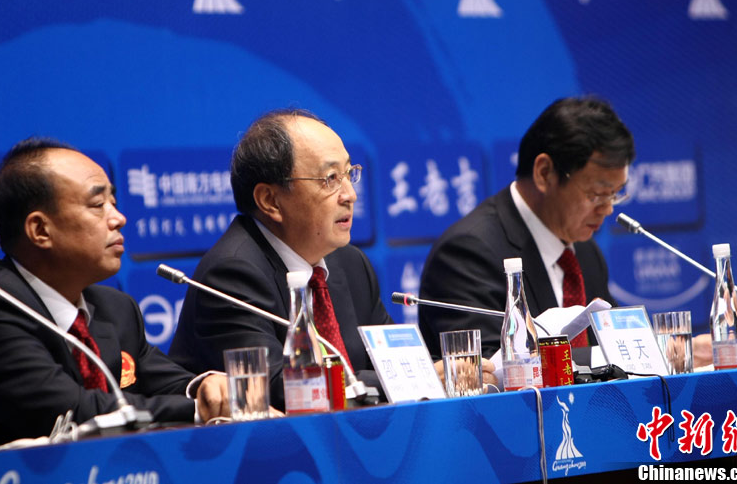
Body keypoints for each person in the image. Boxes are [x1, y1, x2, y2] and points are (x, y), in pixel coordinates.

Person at [0, 138, 227, 450]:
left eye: (113, 202)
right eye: (97, 205)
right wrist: (198, 410)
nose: (118, 218)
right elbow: (75, 413)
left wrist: (207, 387)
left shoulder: (115, 308)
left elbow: (166, 381)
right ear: (40, 230)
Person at [169, 110, 491, 409]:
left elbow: (392, 360)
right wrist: (414, 380)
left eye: (349, 174)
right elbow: (282, 387)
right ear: (270, 201)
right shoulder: (233, 273)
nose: (350, 194)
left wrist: (439, 370)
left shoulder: (349, 264)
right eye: (330, 178)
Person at [418, 97, 633, 358]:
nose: (608, 209)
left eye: (615, 194)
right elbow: (487, 369)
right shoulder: (467, 253)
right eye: (597, 194)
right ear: (544, 173)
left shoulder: (585, 253)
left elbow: (615, 351)